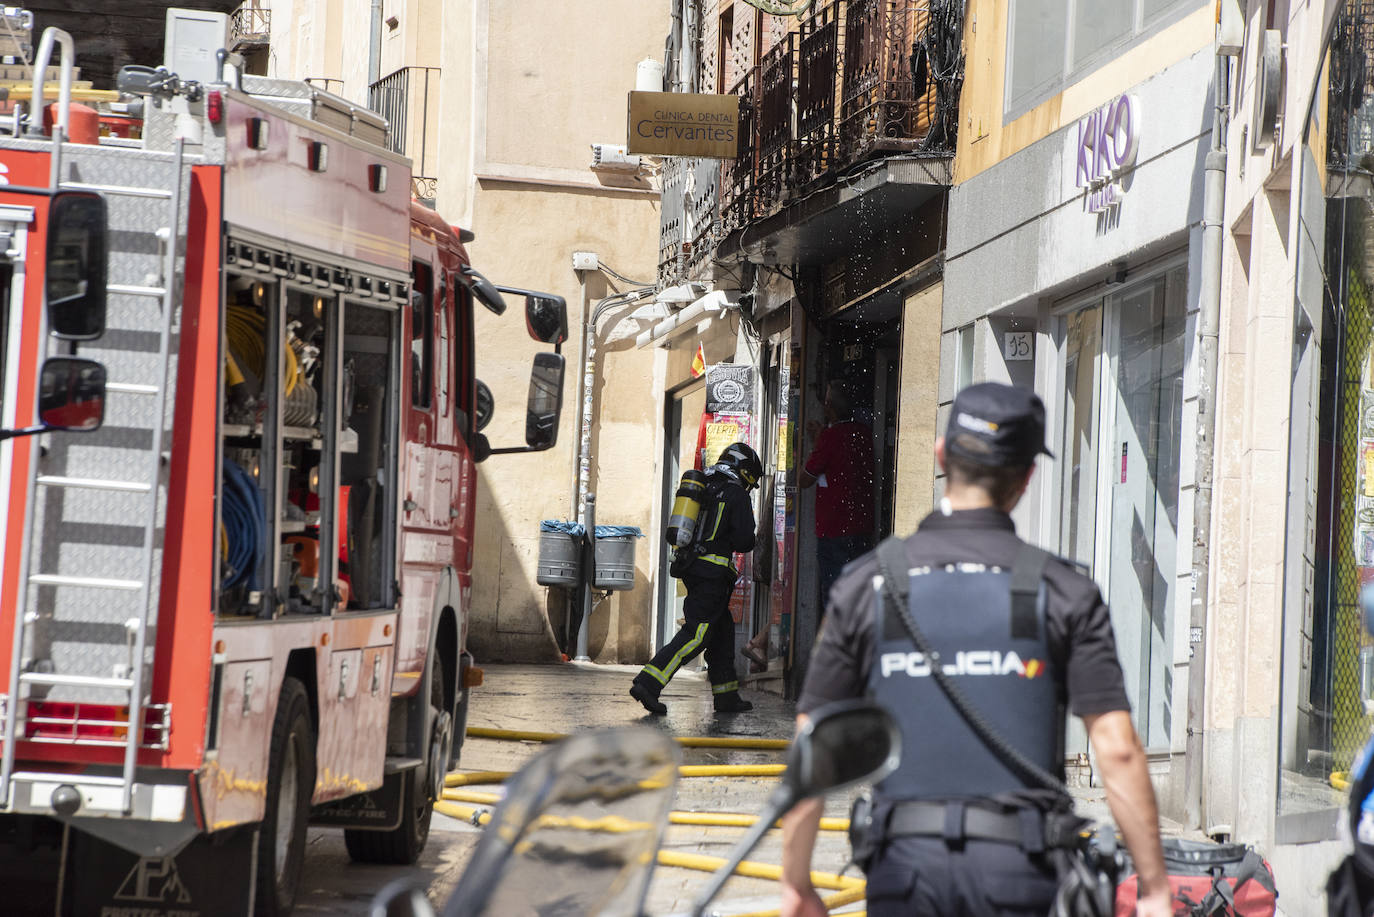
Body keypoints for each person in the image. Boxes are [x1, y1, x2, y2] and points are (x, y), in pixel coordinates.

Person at [779, 382, 1170, 917]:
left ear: (942, 456)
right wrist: (1154, 887)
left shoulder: (867, 583)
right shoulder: (1064, 591)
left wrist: (796, 884)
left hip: (903, 870)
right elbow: (1117, 748)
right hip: (1021, 872)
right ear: (1027, 476)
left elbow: (813, 740)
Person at [630, 441, 761, 716]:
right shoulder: (736, 494)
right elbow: (744, 541)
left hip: (693, 568)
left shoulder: (707, 486)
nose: (750, 484)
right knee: (697, 634)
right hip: (712, 575)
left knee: (721, 631)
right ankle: (648, 683)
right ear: (743, 470)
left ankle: (726, 696)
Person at [799, 380, 875, 613]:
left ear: (828, 407)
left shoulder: (831, 437)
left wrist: (816, 443)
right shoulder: (863, 433)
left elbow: (805, 479)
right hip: (861, 526)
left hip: (833, 528)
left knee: (834, 594)